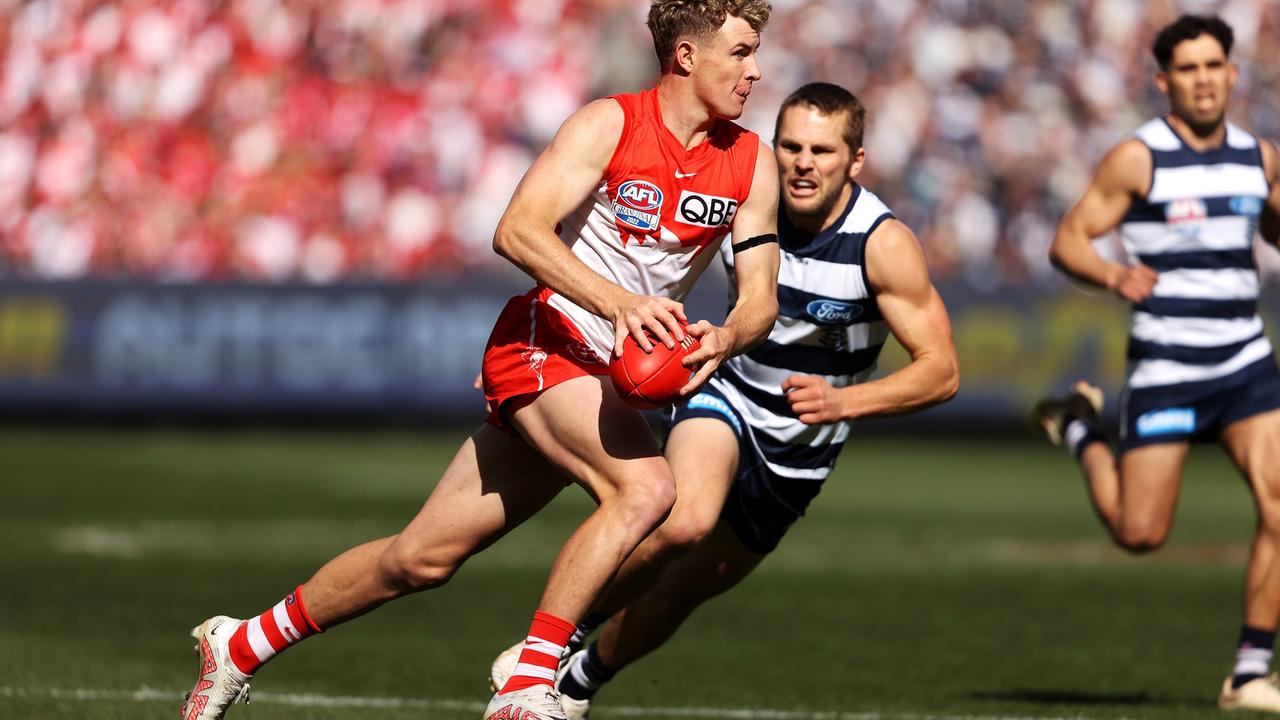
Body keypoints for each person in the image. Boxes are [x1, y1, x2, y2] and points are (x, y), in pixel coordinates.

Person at [179, 2, 781, 719]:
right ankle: (527, 686)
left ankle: (242, 644)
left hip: (608, 379)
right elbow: (518, 230)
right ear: (685, 56)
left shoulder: (751, 161)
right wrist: (620, 304)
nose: (755, 70)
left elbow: (761, 300)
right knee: (647, 492)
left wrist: (727, 336)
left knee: (420, 559)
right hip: (544, 340)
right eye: (741, 52)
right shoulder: (610, 123)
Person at [489, 81, 958, 717]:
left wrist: (848, 403)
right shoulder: (747, 195)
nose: (802, 162)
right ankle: (549, 645)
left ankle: (581, 680)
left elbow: (941, 371)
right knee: (684, 520)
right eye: (790, 145)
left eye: (822, 150)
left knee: (683, 591)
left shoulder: (881, 243)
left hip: (801, 447)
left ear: (856, 161)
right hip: (728, 394)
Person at [1031, 14, 1280, 713]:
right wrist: (1114, 278)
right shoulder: (1138, 158)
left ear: (1232, 73)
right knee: (1140, 534)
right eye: (1188, 69)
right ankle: (1081, 425)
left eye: (1214, 66)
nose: (1203, 80)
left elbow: (1275, 223)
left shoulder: (1258, 157)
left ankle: (1250, 672)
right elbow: (1068, 240)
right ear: (1164, 81)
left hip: (1245, 360)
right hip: (1168, 363)